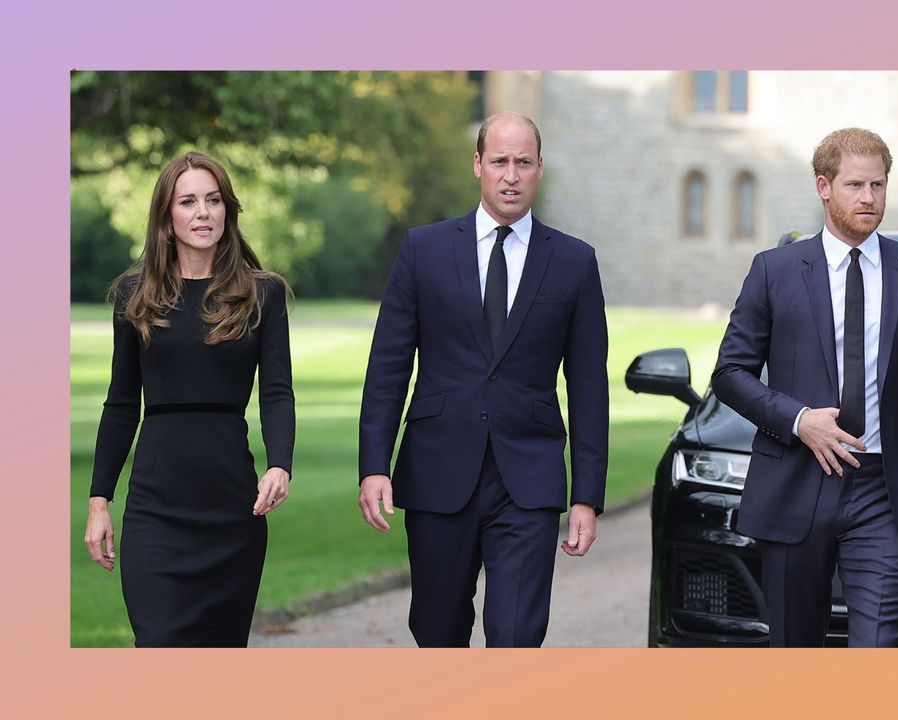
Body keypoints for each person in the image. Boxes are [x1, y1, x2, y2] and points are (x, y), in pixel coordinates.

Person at [357, 112, 609, 648]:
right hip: (437, 469)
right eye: (499, 161)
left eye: (523, 162)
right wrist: (374, 466)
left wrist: (587, 495)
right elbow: (388, 368)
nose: (510, 175)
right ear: (478, 166)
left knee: (517, 634)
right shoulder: (423, 250)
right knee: (438, 630)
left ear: (540, 168)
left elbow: (589, 389)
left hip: (529, 477)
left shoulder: (574, 262)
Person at [711, 127, 898, 647]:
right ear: (823, 186)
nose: (869, 198)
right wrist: (799, 420)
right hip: (796, 482)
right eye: (854, 185)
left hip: (882, 491)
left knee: (876, 647)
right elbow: (730, 373)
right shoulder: (774, 271)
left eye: (878, 185)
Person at [83, 151, 295, 647]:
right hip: (156, 510)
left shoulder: (261, 294)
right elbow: (119, 405)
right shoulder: (134, 295)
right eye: (188, 201)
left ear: (228, 211)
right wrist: (99, 501)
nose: (203, 212)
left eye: (213, 200)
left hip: (230, 510)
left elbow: (278, 392)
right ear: (167, 217)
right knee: (158, 649)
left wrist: (280, 465)